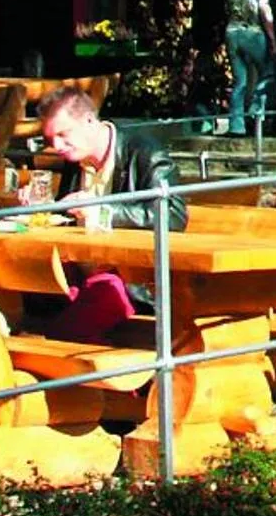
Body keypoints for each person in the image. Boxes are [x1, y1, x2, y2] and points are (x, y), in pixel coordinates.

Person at [35, 85, 179, 341]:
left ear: (89, 121)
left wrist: (102, 210)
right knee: (21, 287)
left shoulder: (146, 153)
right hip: (78, 277)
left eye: (63, 134)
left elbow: (173, 216)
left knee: (66, 323)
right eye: (50, 139)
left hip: (133, 282)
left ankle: (34, 365)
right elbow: (67, 216)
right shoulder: (74, 160)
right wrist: (40, 209)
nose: (57, 145)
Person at [222, 0, 275, 136]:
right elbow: (264, 13)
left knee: (240, 80)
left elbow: (227, 8)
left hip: (232, 32)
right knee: (267, 72)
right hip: (252, 32)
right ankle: (256, 109)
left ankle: (236, 126)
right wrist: (272, 39)